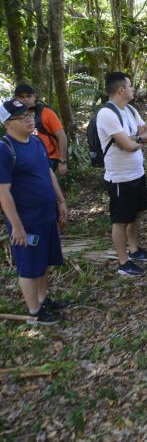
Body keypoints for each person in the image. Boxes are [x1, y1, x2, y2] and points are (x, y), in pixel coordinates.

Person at [0, 100, 68, 324]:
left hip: (46, 214)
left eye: (30, 114)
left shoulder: (37, 142)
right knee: (29, 266)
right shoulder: (5, 149)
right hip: (25, 220)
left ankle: (43, 299)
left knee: (44, 260)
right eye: (23, 117)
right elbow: (4, 192)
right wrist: (16, 226)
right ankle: (34, 311)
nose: (30, 119)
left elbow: (47, 173)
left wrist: (60, 201)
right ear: (8, 123)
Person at [97, 72, 147, 276]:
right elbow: (128, 146)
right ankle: (123, 262)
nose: (133, 89)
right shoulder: (107, 113)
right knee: (121, 220)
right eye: (130, 86)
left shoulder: (130, 110)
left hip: (137, 173)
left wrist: (134, 138)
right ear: (121, 89)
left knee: (136, 214)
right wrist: (135, 140)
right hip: (119, 178)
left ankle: (134, 250)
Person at [13, 84, 69, 177]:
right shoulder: (12, 117)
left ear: (34, 96)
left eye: (28, 96)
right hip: (24, 159)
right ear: (16, 99)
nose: (26, 99)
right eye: (22, 97)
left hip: (48, 158)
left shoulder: (47, 113)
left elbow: (62, 136)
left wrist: (62, 161)